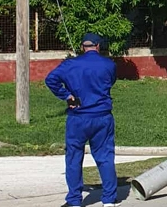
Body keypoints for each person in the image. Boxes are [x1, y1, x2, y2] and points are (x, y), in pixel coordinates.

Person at [45, 32, 118, 207]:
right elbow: (111, 82)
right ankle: (108, 200)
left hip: (78, 117)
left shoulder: (70, 64)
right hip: (102, 116)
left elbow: (51, 79)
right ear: (98, 46)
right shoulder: (109, 65)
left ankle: (74, 200)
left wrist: (68, 96)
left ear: (82, 47)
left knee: (74, 158)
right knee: (105, 157)